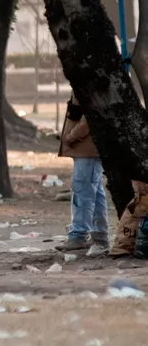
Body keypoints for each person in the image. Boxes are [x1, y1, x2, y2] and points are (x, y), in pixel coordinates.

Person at [55, 93, 109, 255]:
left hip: (87, 145)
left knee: (82, 190)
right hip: (86, 145)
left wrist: (72, 136)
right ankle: (99, 235)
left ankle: (78, 235)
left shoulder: (91, 78)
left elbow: (92, 114)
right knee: (94, 191)